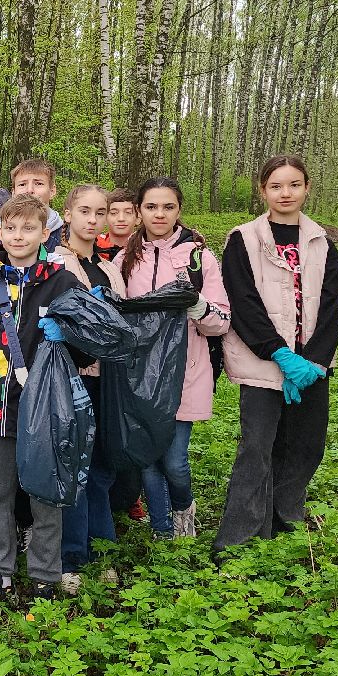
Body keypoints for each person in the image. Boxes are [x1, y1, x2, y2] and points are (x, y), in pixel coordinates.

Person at [0, 194, 91, 605]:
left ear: (45, 232)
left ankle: (46, 576)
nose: (18, 235)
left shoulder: (62, 281)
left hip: (45, 409)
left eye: (28, 228)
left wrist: (70, 336)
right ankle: (1, 573)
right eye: (9, 227)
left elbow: (89, 350)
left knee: (45, 496)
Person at [214, 156, 338, 554]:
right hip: (262, 362)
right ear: (263, 190)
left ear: (306, 188)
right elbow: (244, 301)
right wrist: (280, 355)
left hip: (311, 367)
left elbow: (331, 306)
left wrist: (313, 363)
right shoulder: (244, 239)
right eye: (276, 186)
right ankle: (238, 537)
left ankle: (284, 516)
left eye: (294, 185)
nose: (285, 193)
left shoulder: (321, 242)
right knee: (257, 446)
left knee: (306, 444)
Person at [114, 178, 231, 540]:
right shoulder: (124, 259)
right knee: (148, 458)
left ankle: (184, 507)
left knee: (175, 462)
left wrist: (197, 305)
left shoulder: (198, 257)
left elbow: (222, 322)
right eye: (151, 207)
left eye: (168, 207)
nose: (160, 214)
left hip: (186, 371)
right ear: (140, 211)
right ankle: (163, 529)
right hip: (140, 376)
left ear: (179, 210)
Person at [48, 185, 125, 592]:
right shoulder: (56, 265)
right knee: (73, 468)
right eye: (84, 211)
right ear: (68, 215)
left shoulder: (110, 269)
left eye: (100, 213)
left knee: (100, 468)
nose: (93, 220)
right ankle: (71, 556)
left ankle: (103, 550)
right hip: (71, 380)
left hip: (106, 379)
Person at [98, 185, 146, 523]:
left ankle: (131, 496)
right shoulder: (95, 251)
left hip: (135, 349)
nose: (120, 218)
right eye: (112, 212)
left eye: (127, 212)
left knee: (131, 425)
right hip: (101, 352)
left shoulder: (144, 251)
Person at [7, 159, 65, 254]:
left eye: (38, 183)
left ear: (52, 191)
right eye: (22, 184)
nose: (29, 190)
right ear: (13, 193)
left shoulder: (66, 237)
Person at [97, 187, 136, 262]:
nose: (121, 219)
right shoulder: (93, 247)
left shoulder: (147, 250)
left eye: (128, 213)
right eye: (114, 213)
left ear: (138, 218)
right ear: (105, 218)